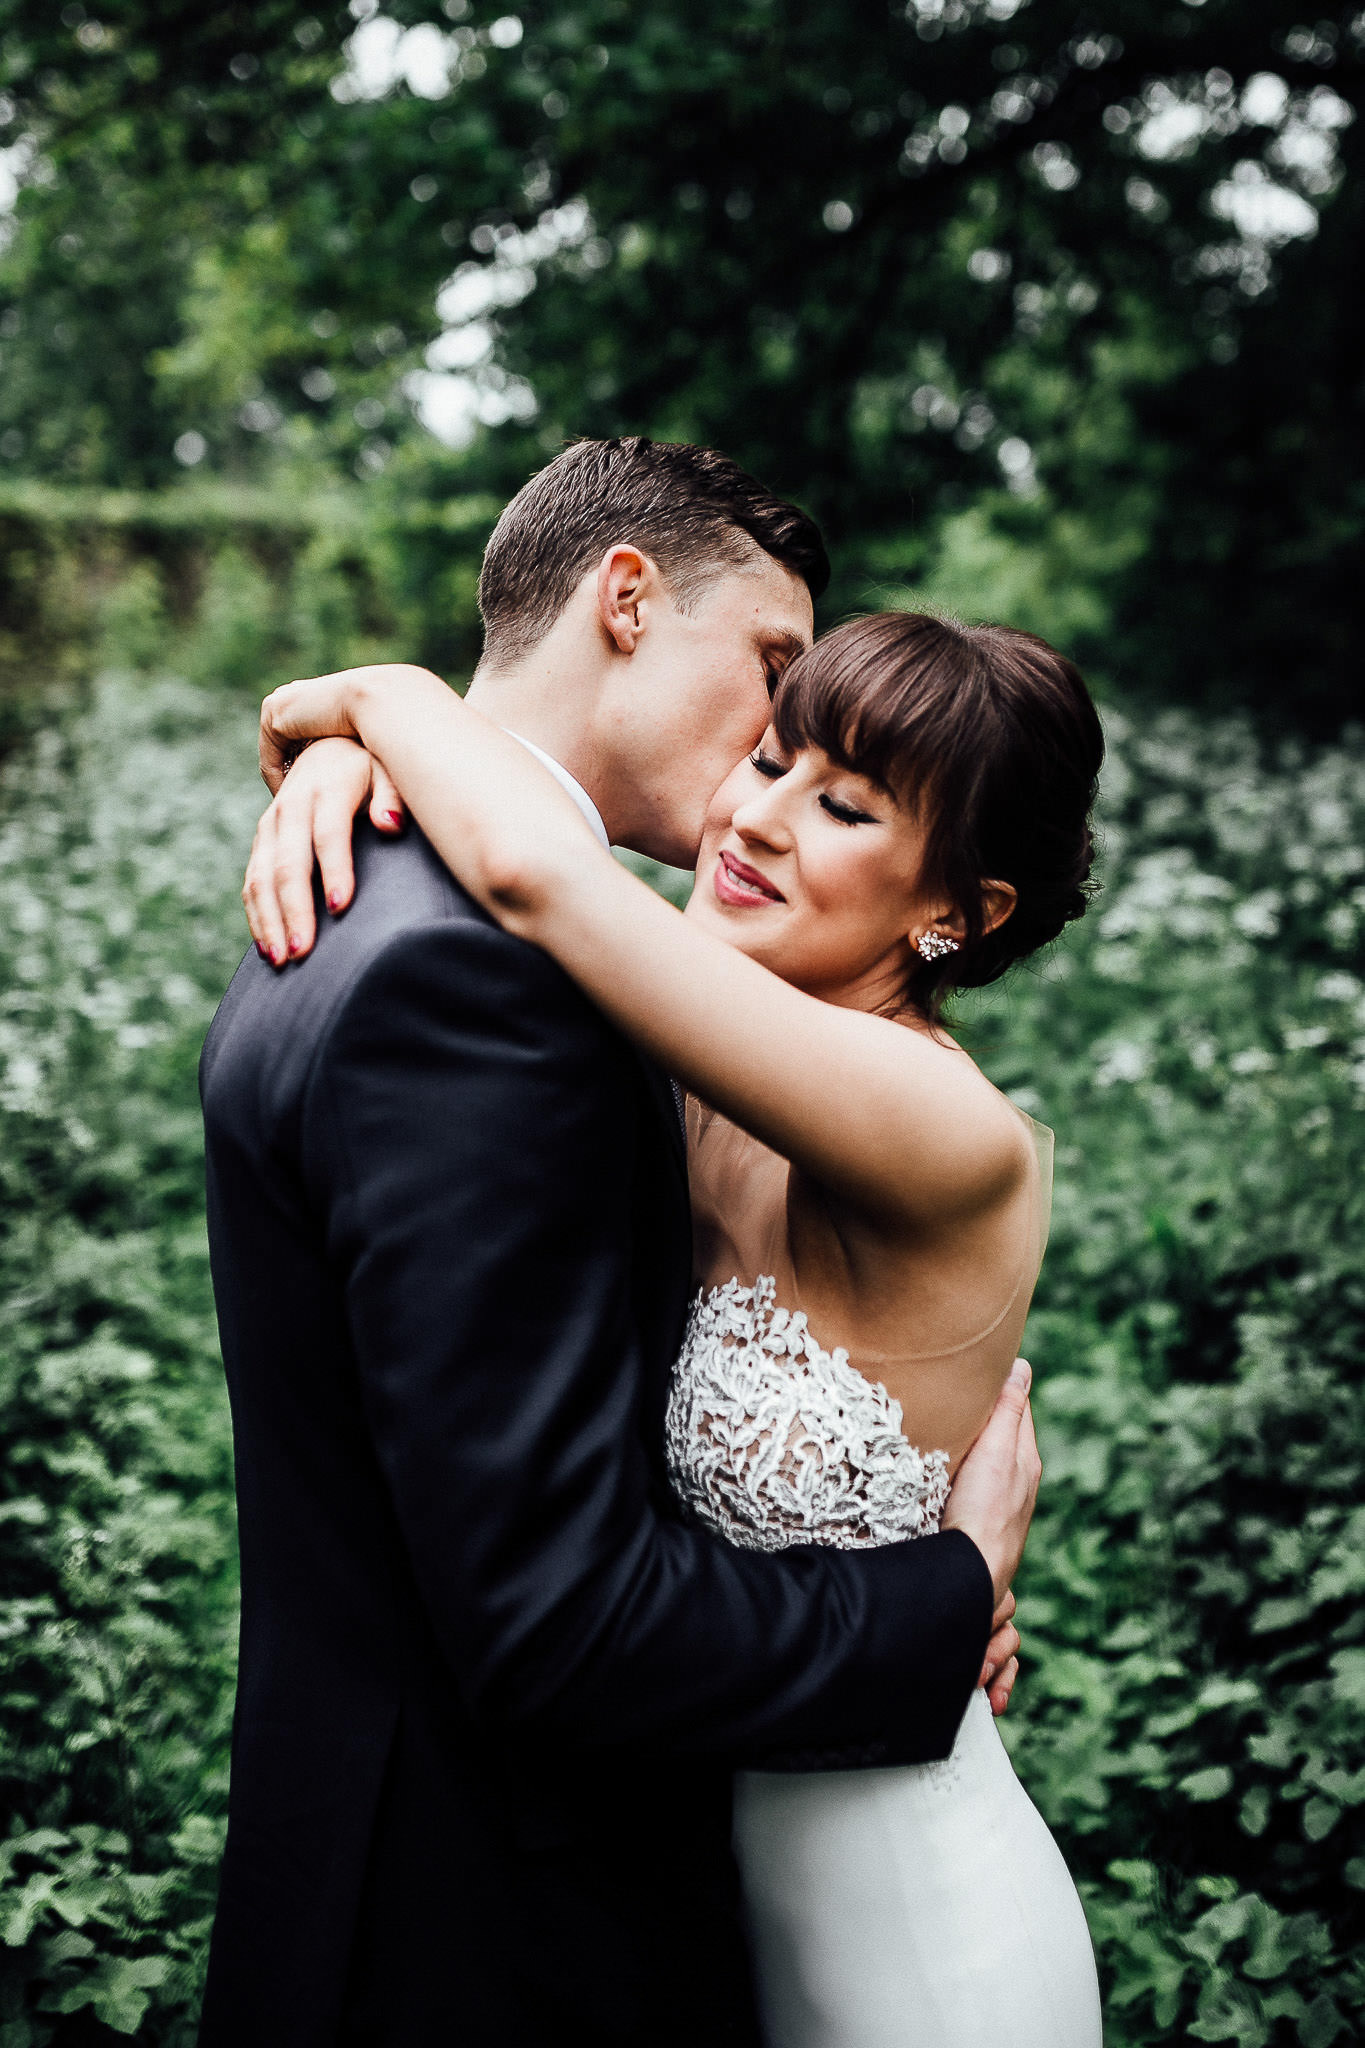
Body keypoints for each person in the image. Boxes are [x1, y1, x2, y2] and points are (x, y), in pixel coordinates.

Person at [198, 438, 1041, 2048]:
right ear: (628, 600)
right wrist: (936, 1597)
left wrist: (360, 711)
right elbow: (554, 1617)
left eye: (835, 785)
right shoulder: (484, 974)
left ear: (959, 904)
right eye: (772, 695)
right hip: (484, 1924)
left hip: (818, 1912)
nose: (757, 781)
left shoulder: (414, 901)